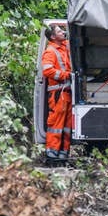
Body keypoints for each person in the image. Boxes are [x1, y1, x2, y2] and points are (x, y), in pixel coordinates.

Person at [41, 23, 72, 163]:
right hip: (58, 94)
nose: (63, 33)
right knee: (56, 125)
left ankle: (63, 155)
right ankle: (52, 155)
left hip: (67, 93)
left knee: (67, 127)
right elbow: (47, 70)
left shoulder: (65, 47)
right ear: (53, 37)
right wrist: (66, 75)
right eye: (60, 31)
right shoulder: (50, 51)